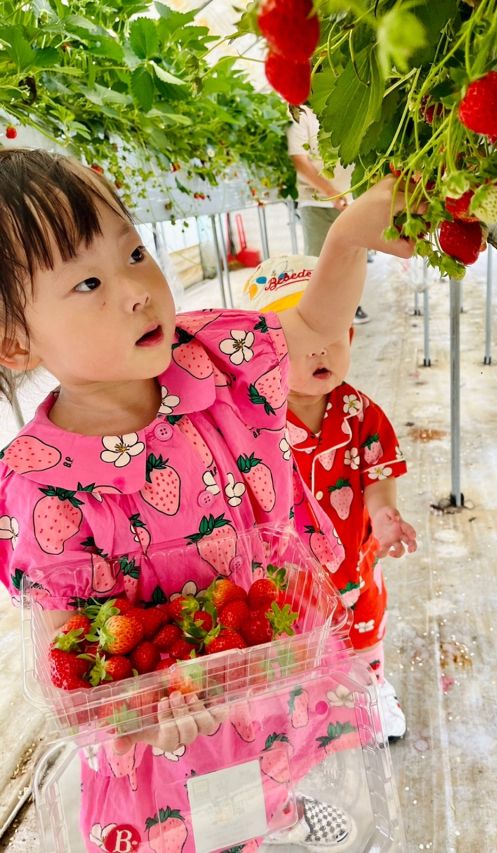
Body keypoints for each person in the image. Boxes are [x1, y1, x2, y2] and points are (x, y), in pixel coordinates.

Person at [0, 150, 415, 852]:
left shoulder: (213, 359)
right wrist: (136, 709)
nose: (136, 289)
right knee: (191, 831)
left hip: (259, 685)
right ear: (15, 342)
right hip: (157, 747)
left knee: (265, 780)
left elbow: (314, 332)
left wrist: (345, 238)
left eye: (133, 251)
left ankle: (278, 816)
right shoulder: (39, 484)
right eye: (90, 282)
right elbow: (75, 658)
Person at [245, 255, 417, 741]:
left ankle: (373, 690)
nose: (319, 351)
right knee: (295, 642)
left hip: (355, 561)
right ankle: (303, 704)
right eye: (301, 343)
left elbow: (378, 473)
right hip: (288, 573)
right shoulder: (256, 423)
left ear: (351, 337)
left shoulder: (361, 413)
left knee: (365, 630)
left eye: (332, 336)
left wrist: (384, 515)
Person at [287, 106, 370, 325]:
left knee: (353, 258)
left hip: (351, 199)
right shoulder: (300, 113)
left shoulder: (346, 106)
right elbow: (299, 159)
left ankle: (351, 307)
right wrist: (331, 192)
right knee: (318, 260)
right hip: (316, 201)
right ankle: (318, 315)